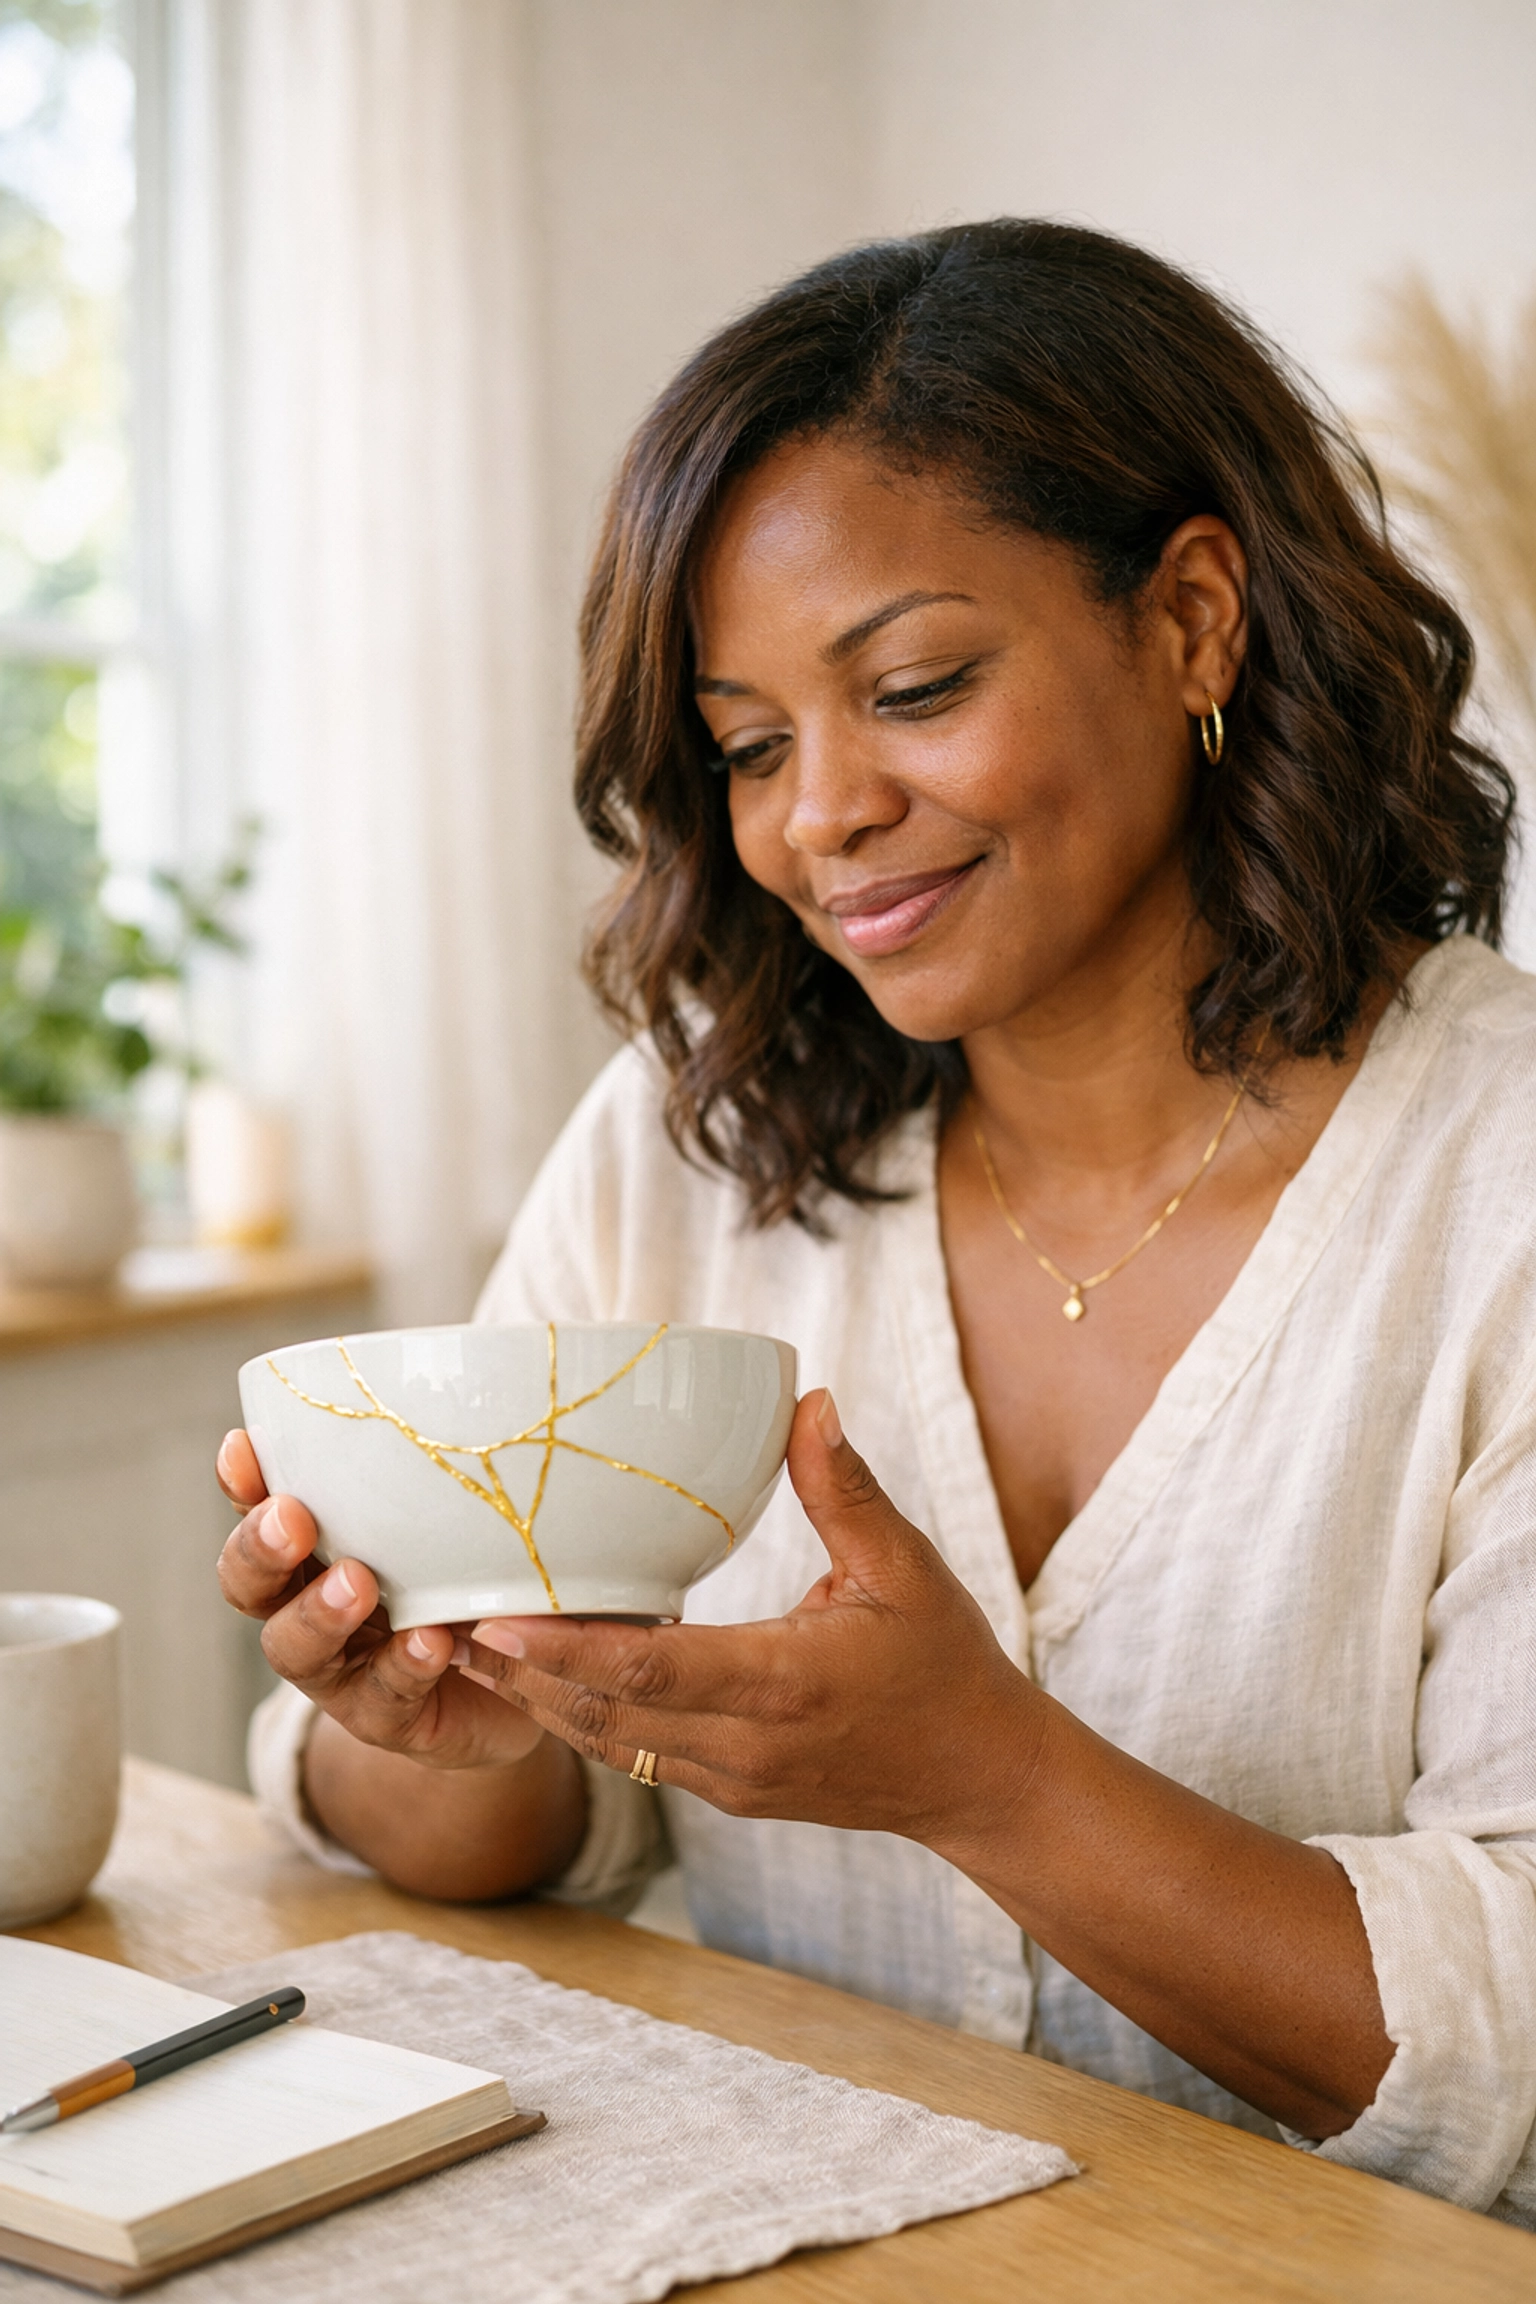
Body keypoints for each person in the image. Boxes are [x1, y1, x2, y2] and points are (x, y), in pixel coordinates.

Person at [219, 220, 1536, 2221]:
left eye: (912, 685)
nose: (812, 817)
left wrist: (988, 1778)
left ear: (1191, 620)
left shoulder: (1493, 1176)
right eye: (749, 745)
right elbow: (511, 1826)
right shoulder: (690, 1142)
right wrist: (437, 1728)